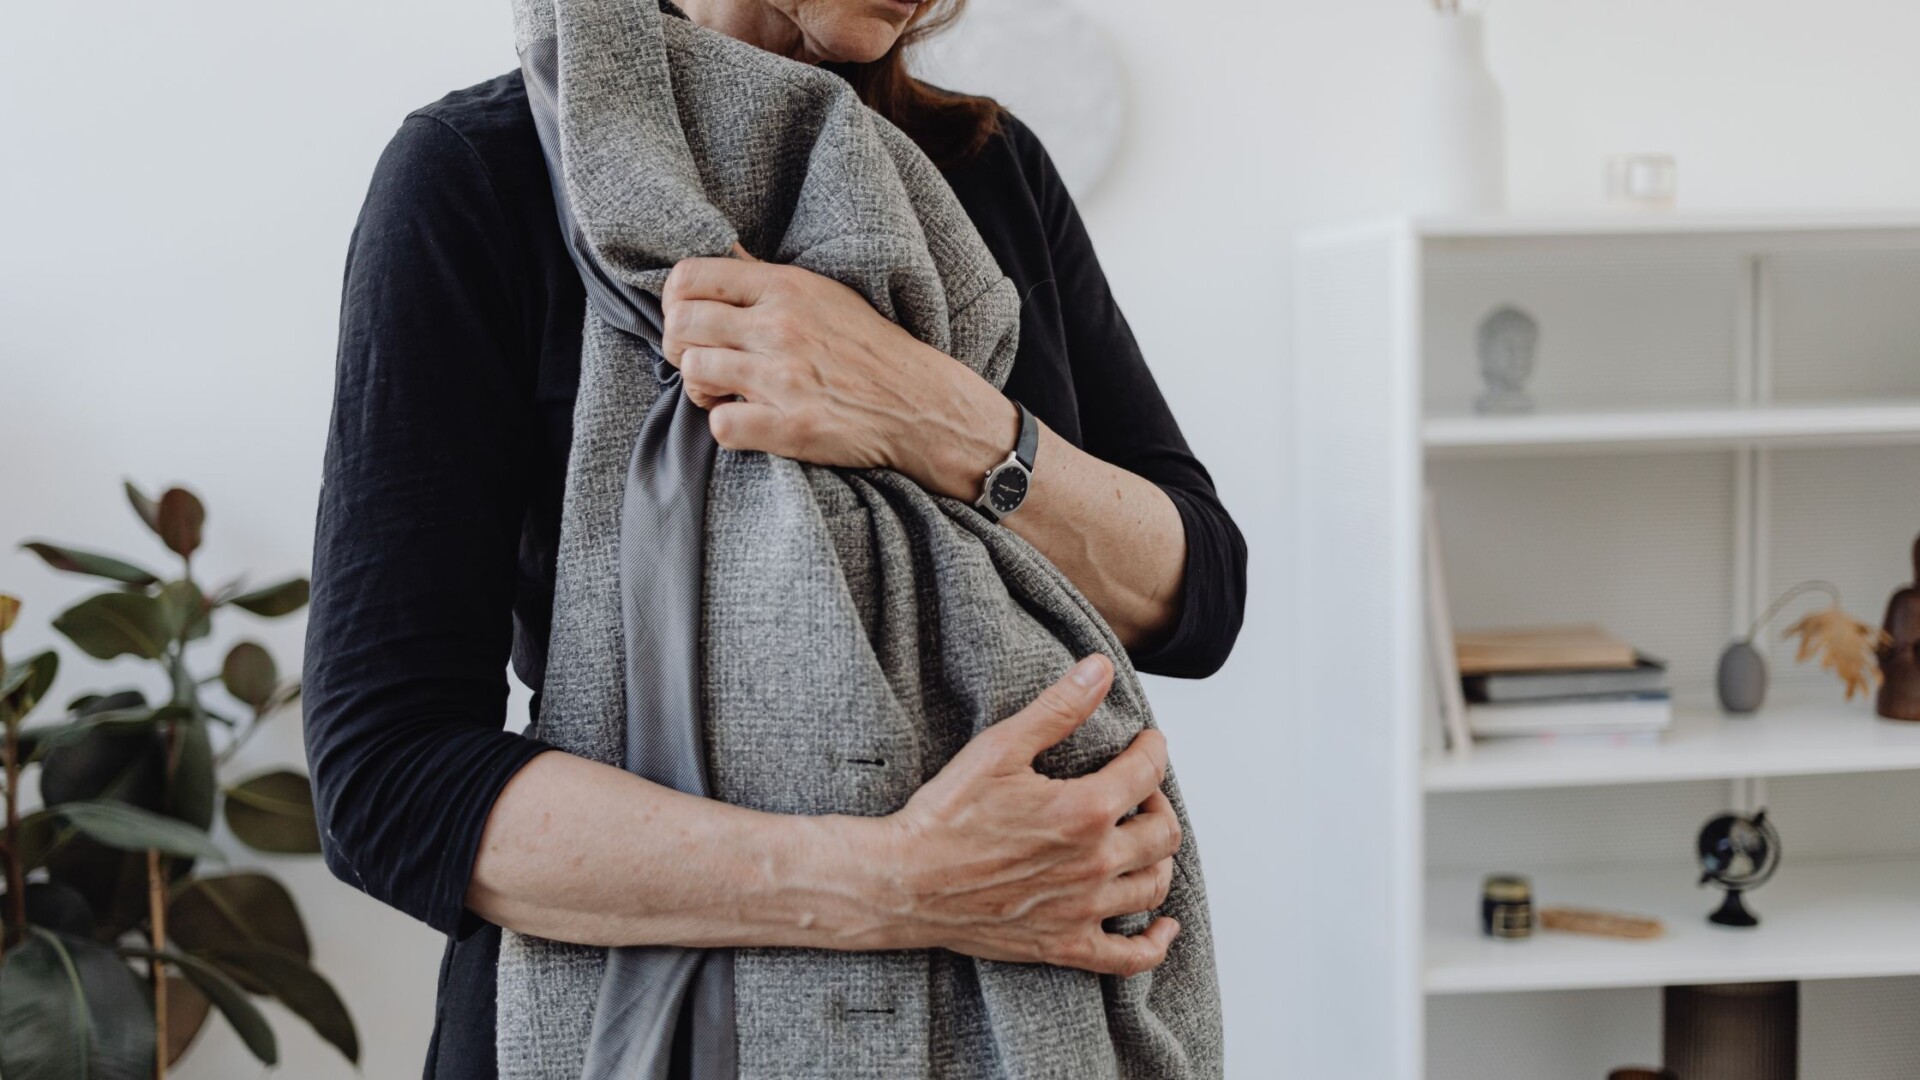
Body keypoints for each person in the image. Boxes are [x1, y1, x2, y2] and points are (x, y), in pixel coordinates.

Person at [303, 0, 1247, 1075]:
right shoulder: (484, 174)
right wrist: (905, 884)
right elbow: (389, 779)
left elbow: (1199, 593)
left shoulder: (985, 173)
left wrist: (940, 417)